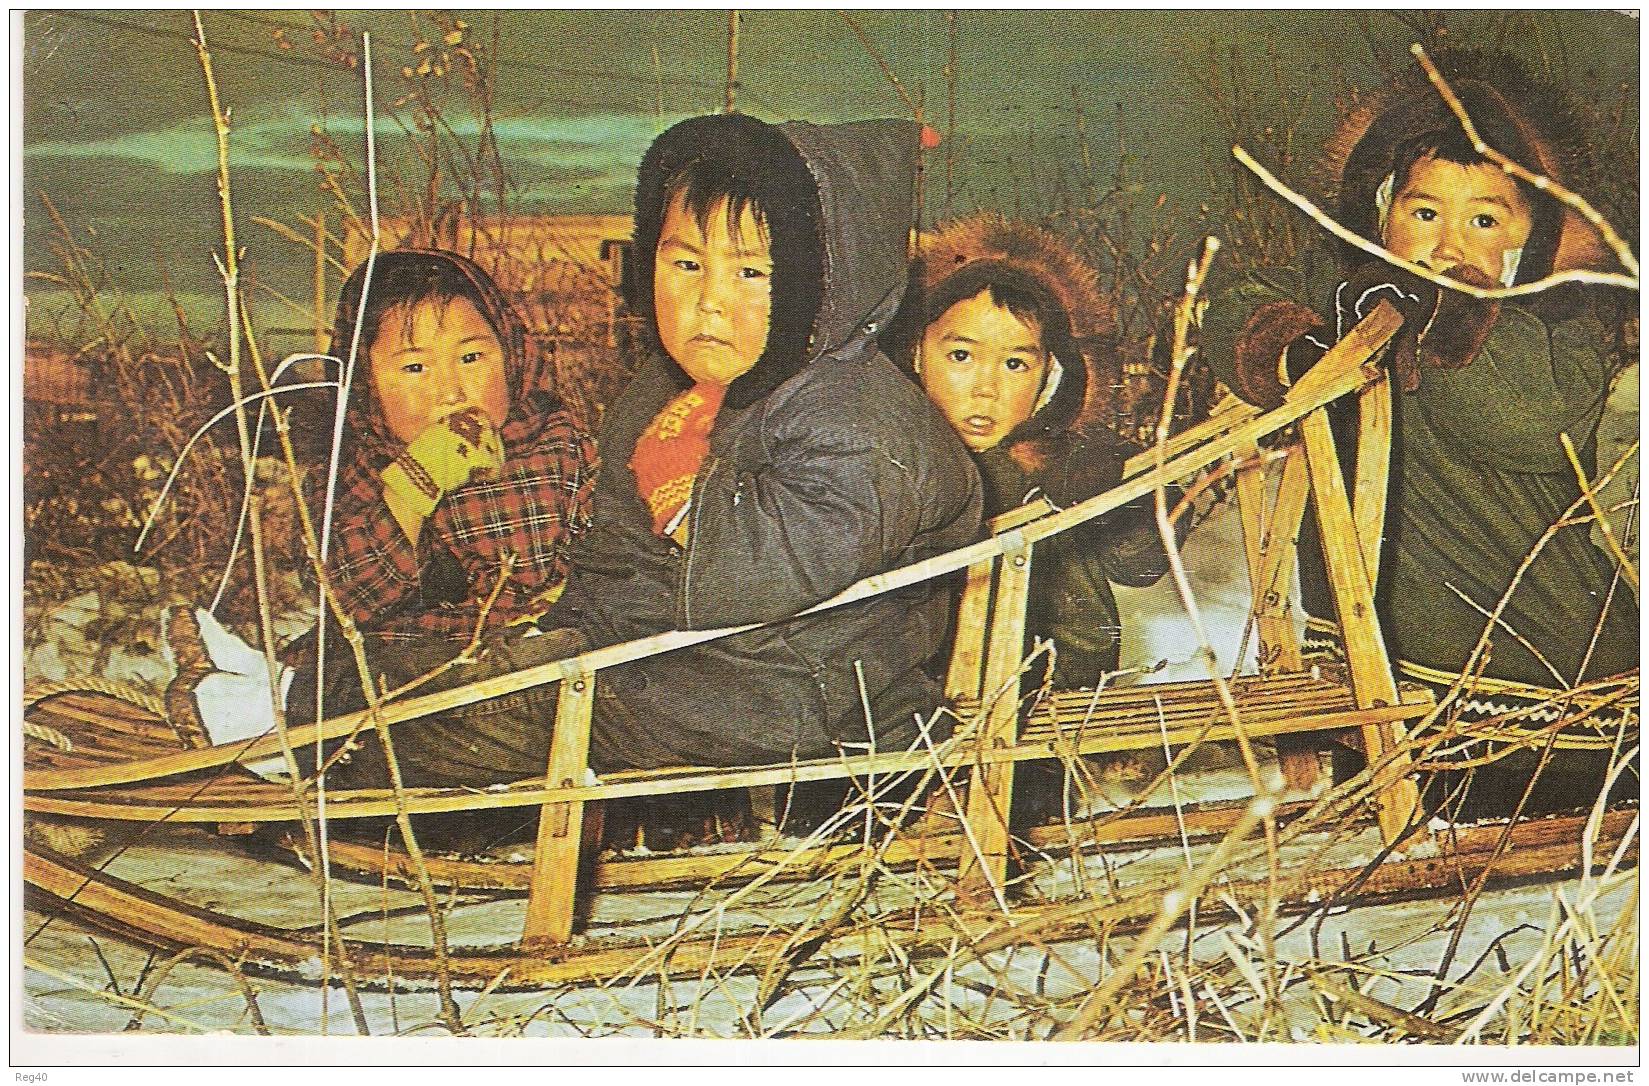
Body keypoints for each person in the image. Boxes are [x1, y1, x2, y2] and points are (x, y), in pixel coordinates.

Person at [1197, 49, 1638, 821]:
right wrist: (1297, 345)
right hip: (1386, 669)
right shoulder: (1356, 298)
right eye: (1423, 213)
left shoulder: (1556, 332)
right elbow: (1233, 303)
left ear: (1529, 242)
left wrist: (1444, 319)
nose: (1448, 244)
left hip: (1544, 682)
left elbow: (1531, 425)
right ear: (1378, 215)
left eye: (1484, 220)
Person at [540, 113, 981, 773]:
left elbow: (771, 565)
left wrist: (684, 496)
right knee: (416, 679)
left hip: (784, 699)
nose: (708, 300)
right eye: (686, 263)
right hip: (682, 665)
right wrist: (564, 627)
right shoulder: (672, 391)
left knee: (446, 715)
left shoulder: (860, 421)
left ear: (825, 283)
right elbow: (613, 546)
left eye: (750, 273)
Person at [895, 212, 1173, 689]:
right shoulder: (888, 459)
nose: (987, 388)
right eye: (961, 356)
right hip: (913, 709)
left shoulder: (1058, 461)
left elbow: (1143, 565)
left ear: (1052, 375)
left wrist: (1119, 500)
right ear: (916, 354)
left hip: (1052, 705)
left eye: (1015, 364)